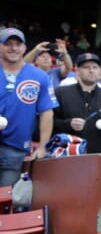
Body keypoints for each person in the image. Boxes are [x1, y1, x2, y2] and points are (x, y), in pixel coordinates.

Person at [0, 27, 58, 185]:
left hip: (16, 148)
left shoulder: (39, 76)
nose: (13, 48)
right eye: (8, 44)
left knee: (6, 200)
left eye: (18, 44)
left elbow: (47, 112)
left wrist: (42, 146)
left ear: (25, 48)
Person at [53, 53, 101, 154]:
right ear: (77, 70)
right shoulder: (61, 93)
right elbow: (49, 122)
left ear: (100, 71)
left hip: (99, 158)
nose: (91, 70)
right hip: (67, 156)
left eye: (95, 67)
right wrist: (68, 124)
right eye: (86, 67)